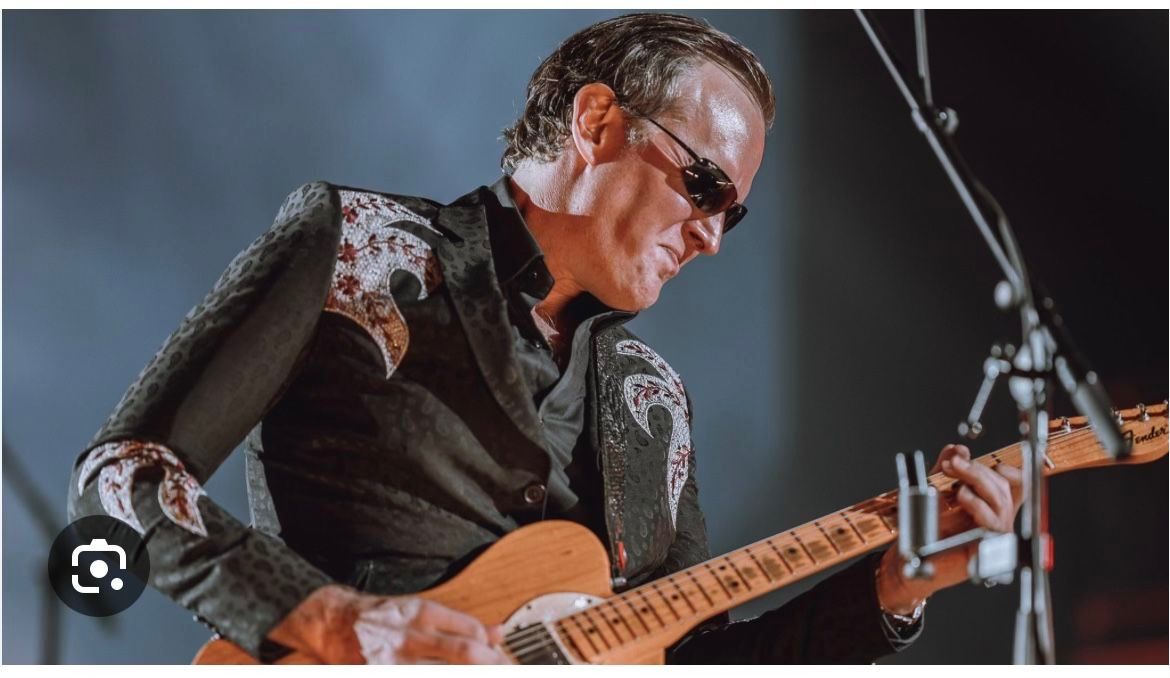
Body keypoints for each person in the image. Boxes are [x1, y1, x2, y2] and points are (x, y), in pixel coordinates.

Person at [66, 13, 1022, 664]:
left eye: (735, 216)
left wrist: (893, 589)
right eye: (706, 187)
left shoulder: (652, 398)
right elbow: (124, 475)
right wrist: (337, 621)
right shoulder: (358, 244)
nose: (712, 236)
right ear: (597, 121)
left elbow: (692, 657)